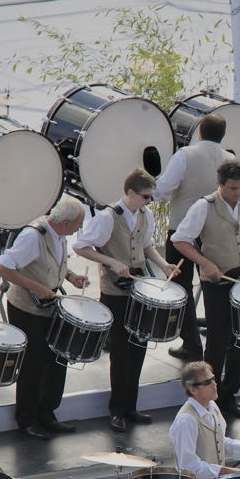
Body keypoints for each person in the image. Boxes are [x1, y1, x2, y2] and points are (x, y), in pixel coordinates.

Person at [171, 160, 240, 419]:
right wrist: (206, 263)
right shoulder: (203, 207)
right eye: (232, 188)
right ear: (220, 184)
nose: (237, 192)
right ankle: (209, 400)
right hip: (218, 282)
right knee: (218, 343)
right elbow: (179, 239)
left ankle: (229, 396)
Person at [73, 169, 178, 433]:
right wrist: (111, 261)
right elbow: (81, 246)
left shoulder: (145, 214)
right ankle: (117, 410)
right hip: (116, 293)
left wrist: (165, 265)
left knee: (139, 349)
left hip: (139, 291)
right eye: (145, 197)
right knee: (121, 353)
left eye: (150, 198)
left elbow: (146, 246)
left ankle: (131, 407)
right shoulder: (108, 218)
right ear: (130, 193)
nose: (148, 201)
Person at [0, 197, 89, 440]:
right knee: (33, 365)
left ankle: (47, 414)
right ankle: (27, 419)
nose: (78, 229)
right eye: (77, 225)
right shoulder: (33, 236)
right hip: (27, 308)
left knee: (57, 360)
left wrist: (70, 276)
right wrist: (35, 286)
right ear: (66, 222)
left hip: (50, 305)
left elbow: (55, 261)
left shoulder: (59, 234)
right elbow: (3, 266)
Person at [154, 114, 234, 362]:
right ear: (222, 134)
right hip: (215, 230)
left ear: (199, 132)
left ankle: (191, 343)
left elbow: (163, 191)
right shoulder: (230, 159)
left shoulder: (185, 155)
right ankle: (220, 335)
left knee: (181, 286)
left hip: (182, 230)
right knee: (214, 284)